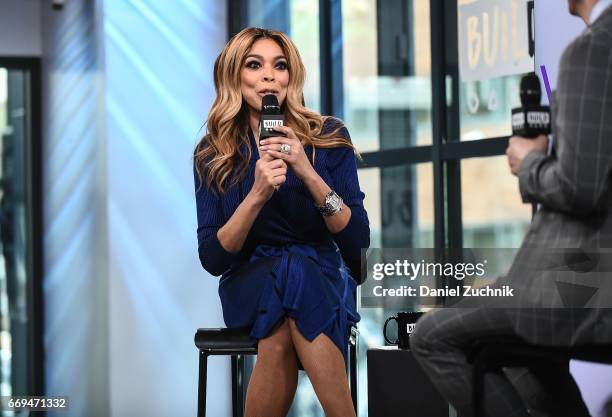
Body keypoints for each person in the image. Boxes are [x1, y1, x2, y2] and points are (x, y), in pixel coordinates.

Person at [410, 1, 612, 416]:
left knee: (432, 336)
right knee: (526, 355)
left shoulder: (591, 50)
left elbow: (580, 188)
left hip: (584, 286)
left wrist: (529, 162)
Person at [193, 27, 369, 417]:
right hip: (249, 282)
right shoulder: (213, 152)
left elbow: (357, 241)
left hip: (321, 274)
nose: (269, 76)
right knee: (290, 273)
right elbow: (213, 258)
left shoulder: (328, 137)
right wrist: (256, 195)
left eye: (280, 66)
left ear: (292, 76)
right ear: (235, 75)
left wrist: (307, 172)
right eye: (255, 65)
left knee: (282, 318)